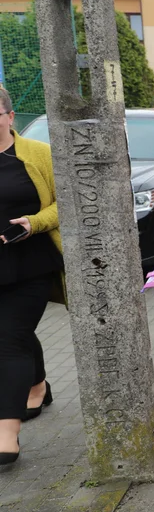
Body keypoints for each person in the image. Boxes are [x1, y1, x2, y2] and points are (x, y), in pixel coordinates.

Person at [0, 85, 63, 465]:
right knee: (15, 333)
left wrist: (35, 222)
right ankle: (37, 385)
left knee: (7, 339)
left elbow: (64, 203)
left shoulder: (37, 155)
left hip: (31, 264)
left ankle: (7, 432)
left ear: (9, 116)